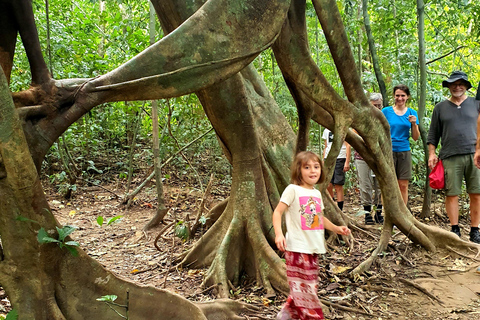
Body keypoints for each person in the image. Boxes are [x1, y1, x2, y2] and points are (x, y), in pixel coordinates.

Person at [273, 151, 351, 320]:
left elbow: (319, 218)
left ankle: (287, 314)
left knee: (307, 287)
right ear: (298, 170)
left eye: (316, 167)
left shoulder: (316, 193)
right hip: (297, 248)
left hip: (313, 248)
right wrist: (279, 234)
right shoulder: (292, 190)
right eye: (307, 167)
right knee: (307, 289)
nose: (312, 171)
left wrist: (337, 228)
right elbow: (277, 212)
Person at [427, 71, 480, 243]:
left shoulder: (475, 104)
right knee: (452, 194)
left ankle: (475, 230)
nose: (457, 87)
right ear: (449, 86)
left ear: (466, 86)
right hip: (450, 155)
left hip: (474, 154)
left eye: (461, 84)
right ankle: (454, 229)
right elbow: (433, 134)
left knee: (476, 193)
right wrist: (432, 154)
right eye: (454, 84)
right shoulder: (440, 108)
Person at [382, 84, 420, 205]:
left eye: (403, 95)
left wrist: (414, 124)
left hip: (404, 151)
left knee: (403, 185)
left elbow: (415, 137)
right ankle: (387, 212)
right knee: (388, 184)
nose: (400, 98)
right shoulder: (386, 111)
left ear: (407, 97)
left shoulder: (412, 113)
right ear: (394, 96)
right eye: (397, 95)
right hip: (388, 151)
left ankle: (403, 215)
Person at [354, 93, 383, 225]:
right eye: (374, 105)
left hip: (379, 157)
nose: (377, 108)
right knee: (365, 186)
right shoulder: (361, 118)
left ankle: (378, 213)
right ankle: (367, 214)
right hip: (362, 157)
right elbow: (354, 135)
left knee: (379, 186)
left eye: (379, 105)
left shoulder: (383, 119)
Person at [322, 128, 351, 211]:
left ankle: (340, 209)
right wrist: (324, 159)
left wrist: (347, 162)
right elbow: (326, 146)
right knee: (328, 184)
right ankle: (332, 207)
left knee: (338, 185)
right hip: (329, 158)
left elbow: (348, 145)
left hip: (340, 158)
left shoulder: (342, 127)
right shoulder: (326, 130)